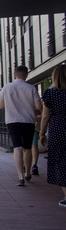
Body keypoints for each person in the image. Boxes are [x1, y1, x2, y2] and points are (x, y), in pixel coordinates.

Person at [0, 65, 42, 186]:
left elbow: (1, 106)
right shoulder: (31, 88)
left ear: (14, 74)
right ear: (26, 75)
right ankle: (28, 173)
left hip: (12, 121)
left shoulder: (6, 88)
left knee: (17, 147)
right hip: (28, 121)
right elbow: (39, 107)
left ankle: (20, 176)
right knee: (27, 148)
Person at [39, 64, 66, 207]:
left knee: (60, 161)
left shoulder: (50, 94)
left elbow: (45, 116)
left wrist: (42, 133)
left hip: (58, 128)